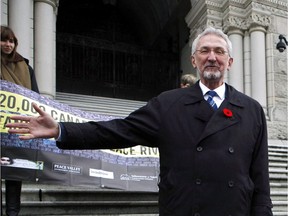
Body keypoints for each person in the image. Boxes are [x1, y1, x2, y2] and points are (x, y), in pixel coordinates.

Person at [5, 27, 273, 215]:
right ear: (194, 60)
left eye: (218, 51)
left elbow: (260, 179)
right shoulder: (168, 104)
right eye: (204, 51)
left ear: (230, 61)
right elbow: (119, 130)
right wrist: (61, 129)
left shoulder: (251, 110)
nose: (212, 57)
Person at [1, 25, 39, 216]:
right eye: (4, 40)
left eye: (11, 41)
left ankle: (12, 213)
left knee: (13, 173)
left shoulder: (26, 67)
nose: (8, 44)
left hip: (14, 129)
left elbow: (36, 96)